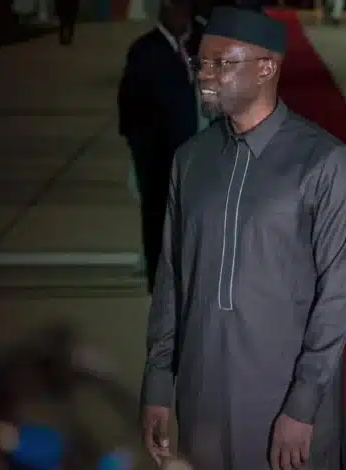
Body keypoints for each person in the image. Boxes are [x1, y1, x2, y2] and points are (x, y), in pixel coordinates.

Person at [140, 7, 346, 470]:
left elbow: (338, 299)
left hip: (285, 405)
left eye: (221, 63)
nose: (205, 75)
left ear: (266, 68)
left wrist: (302, 405)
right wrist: (159, 383)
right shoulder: (191, 160)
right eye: (201, 62)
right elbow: (171, 279)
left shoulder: (324, 163)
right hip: (202, 398)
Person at [117, 0, 204, 293]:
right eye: (173, 7)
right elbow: (130, 108)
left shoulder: (203, 43)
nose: (180, 14)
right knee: (158, 218)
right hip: (159, 155)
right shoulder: (145, 51)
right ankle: (160, 285)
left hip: (201, 152)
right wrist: (142, 150)